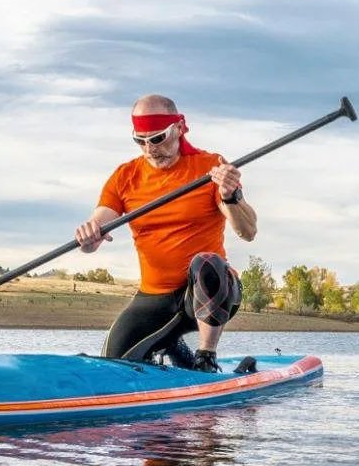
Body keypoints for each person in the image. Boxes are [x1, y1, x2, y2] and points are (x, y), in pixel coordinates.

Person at [74, 95, 258, 371]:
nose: (150, 149)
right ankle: (172, 348)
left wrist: (231, 196)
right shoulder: (125, 176)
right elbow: (94, 231)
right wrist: (88, 236)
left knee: (206, 262)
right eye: (140, 140)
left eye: (158, 139)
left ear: (179, 128)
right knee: (113, 364)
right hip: (154, 297)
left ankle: (205, 358)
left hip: (209, 291)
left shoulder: (210, 167)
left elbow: (248, 231)